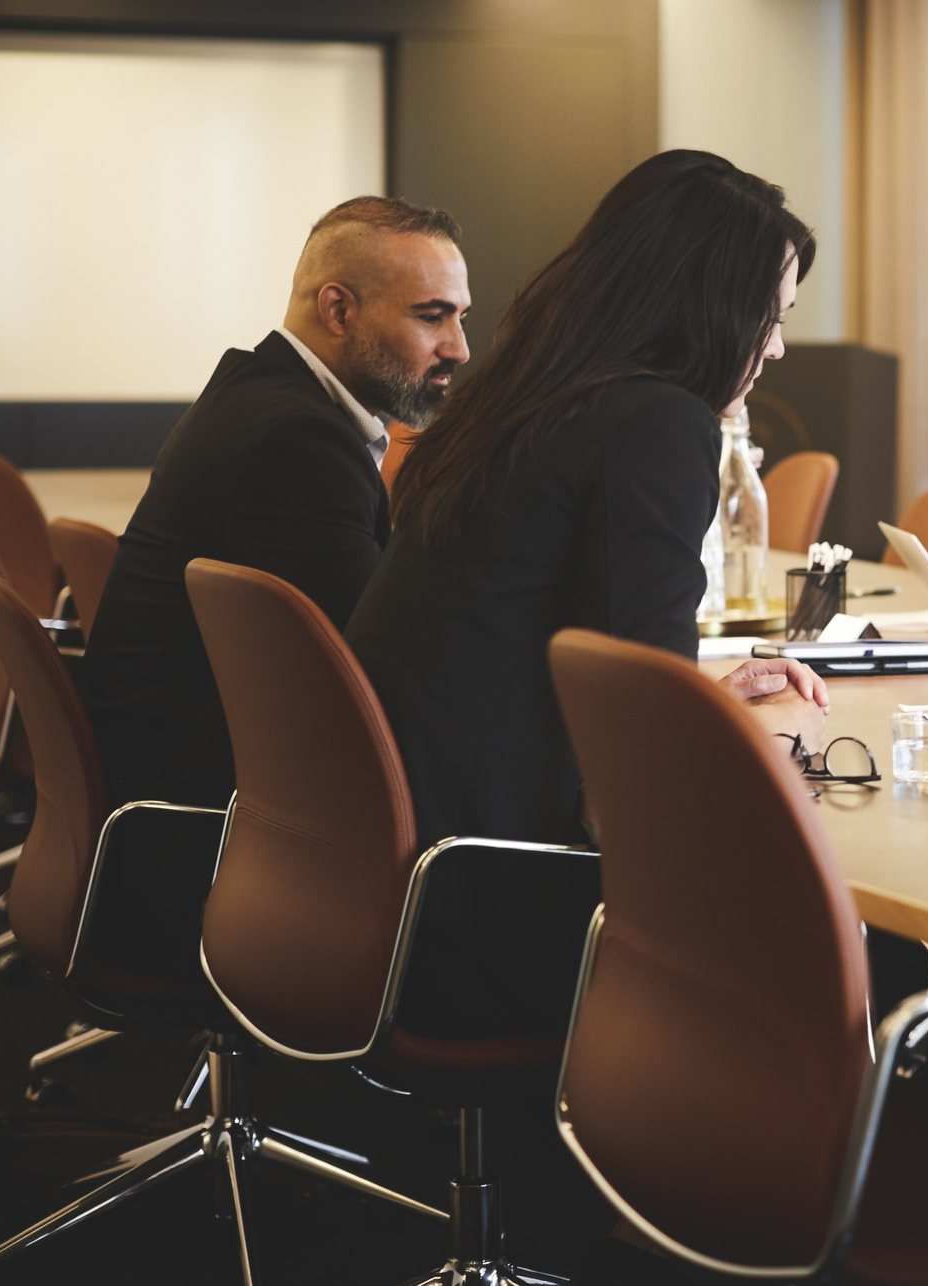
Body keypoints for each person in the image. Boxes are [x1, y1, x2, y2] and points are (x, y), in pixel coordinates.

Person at [344, 152, 829, 1024]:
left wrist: (701, 695)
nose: (778, 346)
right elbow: (649, 754)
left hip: (405, 857)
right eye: (770, 315)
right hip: (503, 892)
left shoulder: (523, 401)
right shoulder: (658, 424)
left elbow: (542, 650)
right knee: (844, 940)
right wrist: (760, 744)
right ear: (710, 302)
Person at [83, 196, 472, 810]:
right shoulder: (295, 442)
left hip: (165, 780)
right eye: (432, 317)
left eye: (460, 318)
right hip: (198, 813)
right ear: (338, 309)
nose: (458, 348)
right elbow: (379, 668)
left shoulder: (259, 395)